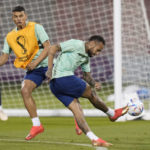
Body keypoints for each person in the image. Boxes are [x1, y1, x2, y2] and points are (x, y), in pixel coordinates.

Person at [46, 35, 129, 147]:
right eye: (98, 50)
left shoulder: (86, 58)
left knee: (78, 110)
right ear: (91, 44)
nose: (97, 53)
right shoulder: (75, 44)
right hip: (62, 78)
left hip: (55, 86)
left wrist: (94, 83)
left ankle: (93, 138)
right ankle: (112, 113)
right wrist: (49, 69)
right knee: (90, 92)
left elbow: (87, 76)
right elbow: (53, 48)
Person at [0, 6, 51, 140]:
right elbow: (4, 57)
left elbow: (48, 47)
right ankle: (37, 125)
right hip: (34, 70)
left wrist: (35, 62)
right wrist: (33, 65)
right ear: (12, 18)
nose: (18, 19)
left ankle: (81, 119)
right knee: (25, 90)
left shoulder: (36, 27)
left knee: (65, 90)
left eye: (21, 16)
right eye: (15, 17)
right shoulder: (10, 37)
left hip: (49, 65)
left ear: (26, 16)